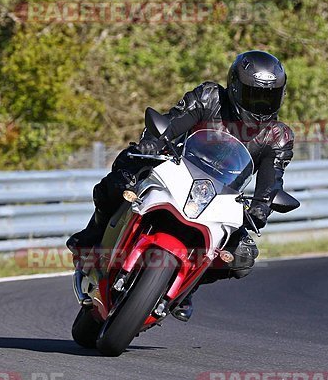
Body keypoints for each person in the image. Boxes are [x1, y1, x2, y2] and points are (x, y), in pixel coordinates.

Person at [67, 50, 294, 321]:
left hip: (223, 195)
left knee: (242, 257)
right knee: (120, 180)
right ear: (234, 87)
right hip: (177, 167)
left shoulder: (278, 136)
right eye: (253, 95)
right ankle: (92, 237)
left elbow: (272, 177)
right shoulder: (210, 97)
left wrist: (262, 205)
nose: (260, 105)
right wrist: (154, 142)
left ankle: (185, 290)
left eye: (268, 97)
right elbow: (175, 121)